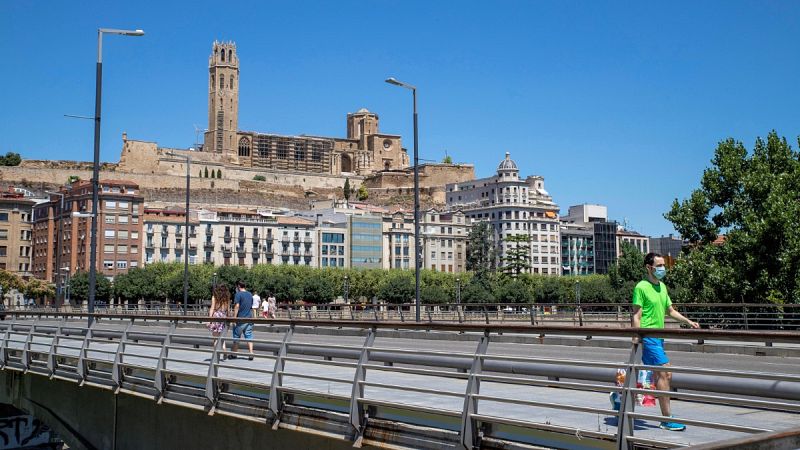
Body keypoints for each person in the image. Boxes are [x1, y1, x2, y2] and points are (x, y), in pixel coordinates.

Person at [632, 252, 699, 432]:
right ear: (649, 267)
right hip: (648, 335)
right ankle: (666, 419)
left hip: (659, 337)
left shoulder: (662, 286)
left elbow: (670, 311)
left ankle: (619, 397)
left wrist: (688, 322)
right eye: (659, 266)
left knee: (657, 374)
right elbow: (636, 314)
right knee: (664, 373)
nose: (662, 269)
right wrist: (637, 336)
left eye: (663, 265)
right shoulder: (641, 287)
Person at [231, 280, 255, 360]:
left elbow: (237, 306)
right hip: (249, 318)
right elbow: (251, 306)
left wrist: (234, 318)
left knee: (236, 336)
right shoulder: (250, 294)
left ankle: (234, 353)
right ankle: (251, 353)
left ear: (238, 286)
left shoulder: (238, 294)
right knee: (249, 336)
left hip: (240, 319)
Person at [207, 284, 230, 352]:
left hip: (216, 317)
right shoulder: (227, 298)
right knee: (222, 337)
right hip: (224, 316)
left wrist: (209, 319)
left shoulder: (214, 297)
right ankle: (224, 349)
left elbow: (212, 308)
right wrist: (229, 318)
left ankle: (216, 355)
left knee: (215, 338)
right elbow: (228, 310)